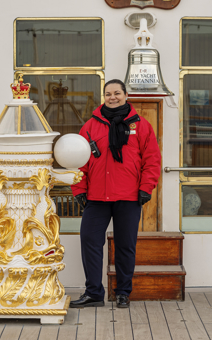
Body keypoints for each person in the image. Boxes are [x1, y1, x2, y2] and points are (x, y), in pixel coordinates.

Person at [69, 79, 161, 308]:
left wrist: (145, 188)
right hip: (96, 197)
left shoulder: (141, 125)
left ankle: (123, 293)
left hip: (129, 197)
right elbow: (77, 161)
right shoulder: (89, 126)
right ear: (104, 96)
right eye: (108, 93)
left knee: (125, 245)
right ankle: (94, 293)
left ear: (126, 94)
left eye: (117, 93)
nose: (113, 97)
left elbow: (152, 160)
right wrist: (79, 188)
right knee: (90, 241)